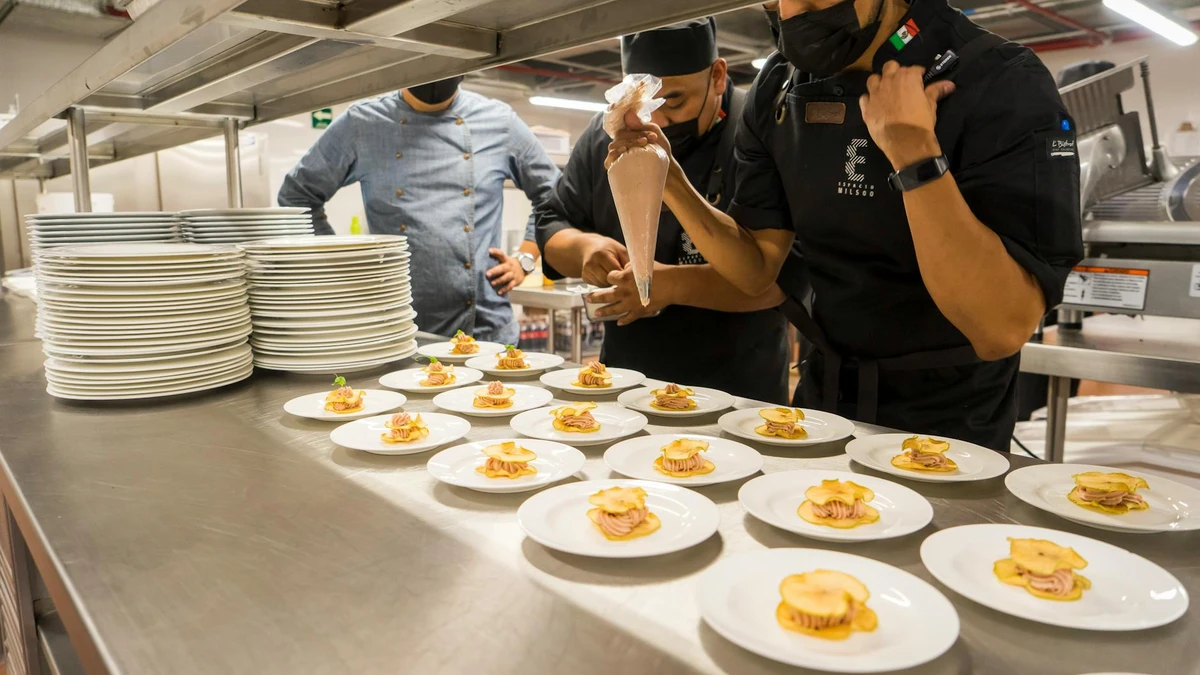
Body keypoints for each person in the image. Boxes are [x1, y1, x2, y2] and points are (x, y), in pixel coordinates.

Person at [606, 0, 1083, 450]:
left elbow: (1001, 328)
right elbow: (755, 269)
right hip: (825, 399)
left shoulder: (998, 82)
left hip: (949, 418)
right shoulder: (779, 87)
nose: (791, 16)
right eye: (776, 2)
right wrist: (668, 179)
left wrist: (914, 154)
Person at [535, 18, 795, 403]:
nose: (655, 121)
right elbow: (551, 224)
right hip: (630, 381)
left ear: (718, 76)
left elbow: (779, 278)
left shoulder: (755, 130)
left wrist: (668, 284)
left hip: (736, 387)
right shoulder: (603, 136)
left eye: (673, 101)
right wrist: (586, 250)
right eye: (641, 104)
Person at [278, 77, 560, 345]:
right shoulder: (362, 123)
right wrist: (344, 265)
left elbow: (554, 194)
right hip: (398, 329)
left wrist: (525, 258)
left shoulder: (499, 121)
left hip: (485, 332)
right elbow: (297, 195)